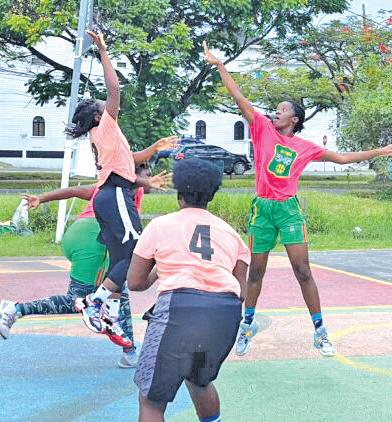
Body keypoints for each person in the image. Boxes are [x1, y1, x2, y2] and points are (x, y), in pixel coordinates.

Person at [203, 41, 392, 357]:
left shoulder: (305, 147)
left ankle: (320, 332)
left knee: (303, 271)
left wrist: (380, 151)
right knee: (255, 272)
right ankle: (247, 325)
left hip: (288, 210)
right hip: (263, 209)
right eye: (277, 108)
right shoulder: (262, 129)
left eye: (283, 109)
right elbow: (238, 97)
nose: (277, 111)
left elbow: (342, 158)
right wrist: (219, 66)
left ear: (294, 119)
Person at [62, 30, 177, 341]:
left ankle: (110, 313)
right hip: (114, 195)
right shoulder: (106, 125)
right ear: (98, 114)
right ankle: (95, 301)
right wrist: (102, 50)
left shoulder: (105, 136)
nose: (110, 105)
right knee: (138, 252)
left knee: (119, 260)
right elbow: (114, 89)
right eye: (104, 105)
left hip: (109, 196)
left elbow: (129, 160)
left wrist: (154, 148)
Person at [0, 165, 170, 367]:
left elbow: (74, 191)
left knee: (116, 288)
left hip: (78, 233)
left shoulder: (107, 187)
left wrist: (42, 198)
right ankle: (15, 309)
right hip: (93, 241)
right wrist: (145, 180)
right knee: (80, 299)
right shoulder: (131, 188)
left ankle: (129, 351)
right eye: (147, 175)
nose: (152, 177)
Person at [127, 158, 250, 422]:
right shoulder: (232, 235)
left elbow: (135, 282)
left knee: (152, 400)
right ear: (211, 196)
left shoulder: (160, 225)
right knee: (199, 381)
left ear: (179, 194)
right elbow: (241, 292)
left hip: (179, 309)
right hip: (223, 314)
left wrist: (162, 267)